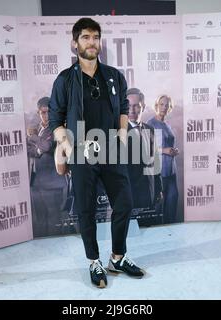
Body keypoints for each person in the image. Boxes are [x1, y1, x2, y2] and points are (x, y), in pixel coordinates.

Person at [48, 18, 145, 288]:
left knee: (124, 202)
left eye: (95, 37)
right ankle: (94, 261)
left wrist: (123, 134)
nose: (91, 42)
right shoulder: (65, 80)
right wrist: (67, 149)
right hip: (81, 153)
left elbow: (124, 107)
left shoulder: (114, 75)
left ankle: (117, 257)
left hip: (111, 150)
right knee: (86, 210)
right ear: (75, 43)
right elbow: (56, 120)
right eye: (86, 37)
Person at [27, 97, 68, 237]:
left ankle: (59, 249)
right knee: (40, 218)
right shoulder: (39, 128)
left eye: (49, 112)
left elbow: (47, 146)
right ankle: (45, 249)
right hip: (36, 181)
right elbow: (30, 151)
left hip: (53, 182)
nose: (46, 116)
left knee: (54, 218)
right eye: (43, 112)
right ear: (38, 113)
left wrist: (33, 137)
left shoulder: (58, 128)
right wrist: (39, 149)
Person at [126, 88, 163, 226]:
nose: (132, 110)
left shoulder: (150, 129)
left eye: (136, 106)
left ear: (143, 107)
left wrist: (159, 189)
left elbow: (155, 161)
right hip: (129, 196)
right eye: (128, 106)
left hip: (150, 192)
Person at [147, 95, 179, 224]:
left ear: (169, 108)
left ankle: (171, 236)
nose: (164, 107)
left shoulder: (167, 125)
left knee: (171, 207)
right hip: (159, 173)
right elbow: (146, 149)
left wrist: (174, 150)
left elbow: (169, 144)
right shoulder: (151, 123)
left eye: (167, 105)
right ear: (157, 105)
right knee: (158, 209)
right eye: (161, 104)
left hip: (172, 172)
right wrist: (164, 150)